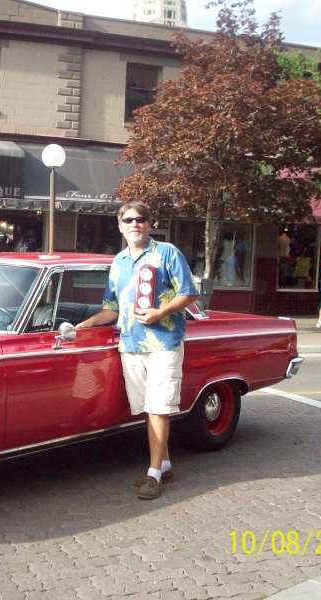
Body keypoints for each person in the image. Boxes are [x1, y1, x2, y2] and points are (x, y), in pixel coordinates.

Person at [76, 202, 199, 500]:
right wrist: (85, 324)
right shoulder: (118, 261)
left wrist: (161, 312)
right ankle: (164, 465)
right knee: (149, 408)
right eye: (128, 220)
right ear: (120, 226)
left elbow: (189, 292)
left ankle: (153, 474)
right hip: (130, 344)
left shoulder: (166, 252)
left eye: (141, 219)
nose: (135, 224)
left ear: (149, 224)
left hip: (163, 343)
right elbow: (111, 308)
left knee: (159, 408)